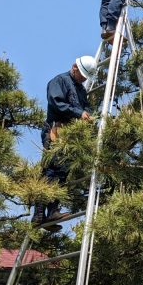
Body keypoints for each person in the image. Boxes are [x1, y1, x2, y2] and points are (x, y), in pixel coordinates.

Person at [32, 55, 96, 231]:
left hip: (68, 136)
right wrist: (78, 113)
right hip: (55, 130)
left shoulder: (81, 90)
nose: (83, 78)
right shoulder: (59, 81)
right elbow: (56, 102)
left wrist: (88, 114)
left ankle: (52, 211)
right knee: (50, 170)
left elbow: (86, 107)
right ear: (74, 67)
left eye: (85, 76)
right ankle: (38, 215)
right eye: (82, 74)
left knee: (62, 172)